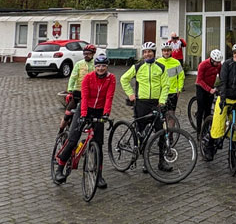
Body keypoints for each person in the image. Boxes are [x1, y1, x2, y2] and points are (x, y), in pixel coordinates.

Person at [54, 52, 116, 188]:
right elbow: (85, 97)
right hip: (85, 108)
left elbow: (109, 97)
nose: (100, 68)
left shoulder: (111, 78)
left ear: (107, 67)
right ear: (95, 67)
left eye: (103, 66)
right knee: (73, 140)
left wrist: (106, 114)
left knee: (98, 144)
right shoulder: (88, 78)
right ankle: (59, 169)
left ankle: (99, 176)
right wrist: (83, 115)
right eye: (98, 66)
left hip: (99, 111)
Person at [120, 42, 171, 170]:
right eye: (145, 52)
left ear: (154, 53)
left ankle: (161, 161)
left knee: (161, 132)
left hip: (156, 103)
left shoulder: (161, 67)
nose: (147, 54)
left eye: (150, 51)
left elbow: (166, 85)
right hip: (141, 103)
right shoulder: (137, 67)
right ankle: (145, 162)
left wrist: (162, 101)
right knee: (141, 133)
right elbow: (124, 79)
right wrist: (131, 94)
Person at [205, 43, 236, 160]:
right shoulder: (227, 64)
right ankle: (209, 147)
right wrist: (222, 99)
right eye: (235, 53)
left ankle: (233, 155)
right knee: (217, 125)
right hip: (225, 98)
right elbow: (223, 82)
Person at [62, 44, 97, 128]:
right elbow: (73, 77)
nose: (86, 55)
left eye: (88, 53)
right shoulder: (79, 64)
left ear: (93, 54)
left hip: (90, 93)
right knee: (67, 114)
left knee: (90, 114)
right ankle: (61, 130)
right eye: (85, 53)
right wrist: (70, 90)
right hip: (78, 91)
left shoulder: (96, 65)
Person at [195, 49, 223, 130]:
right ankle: (199, 131)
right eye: (216, 62)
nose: (218, 64)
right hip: (201, 87)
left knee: (208, 110)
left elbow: (221, 76)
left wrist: (221, 86)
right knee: (200, 110)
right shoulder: (203, 65)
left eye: (219, 62)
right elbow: (199, 80)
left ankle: (206, 129)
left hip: (211, 86)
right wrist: (209, 89)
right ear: (212, 59)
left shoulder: (219, 65)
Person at [157, 41, 185, 113]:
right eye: (164, 51)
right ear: (162, 52)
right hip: (161, 92)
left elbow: (181, 76)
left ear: (171, 51)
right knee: (160, 113)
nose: (166, 52)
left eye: (168, 50)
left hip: (172, 92)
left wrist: (179, 89)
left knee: (171, 113)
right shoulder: (157, 62)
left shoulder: (176, 62)